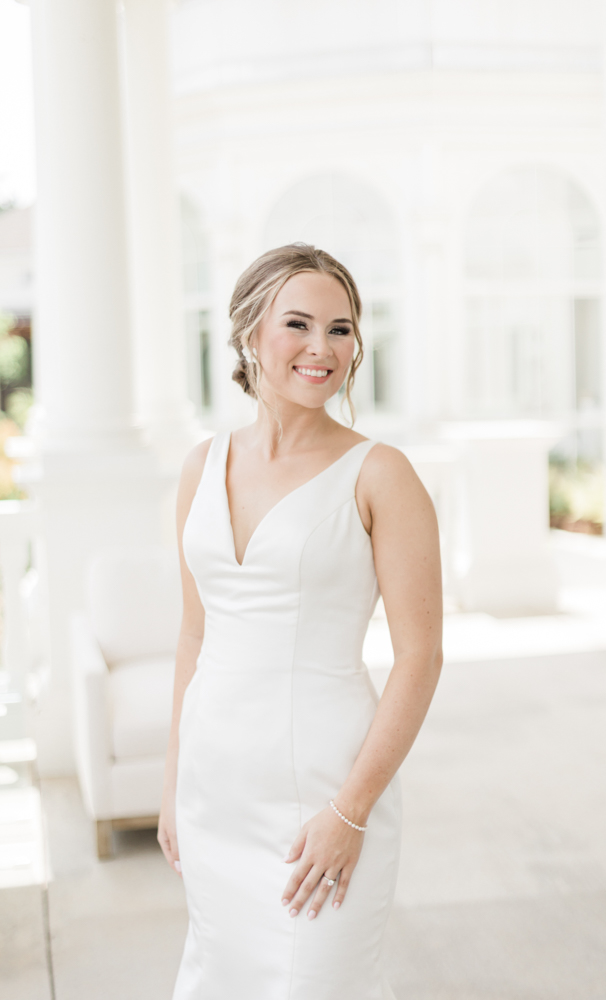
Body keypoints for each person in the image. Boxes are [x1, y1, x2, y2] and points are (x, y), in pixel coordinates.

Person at [158, 243, 443, 999]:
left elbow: (420, 658)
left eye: (341, 329)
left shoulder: (381, 474)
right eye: (298, 324)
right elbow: (195, 633)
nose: (323, 348)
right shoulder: (200, 466)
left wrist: (349, 813)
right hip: (213, 793)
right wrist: (172, 785)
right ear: (251, 334)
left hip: (323, 792)